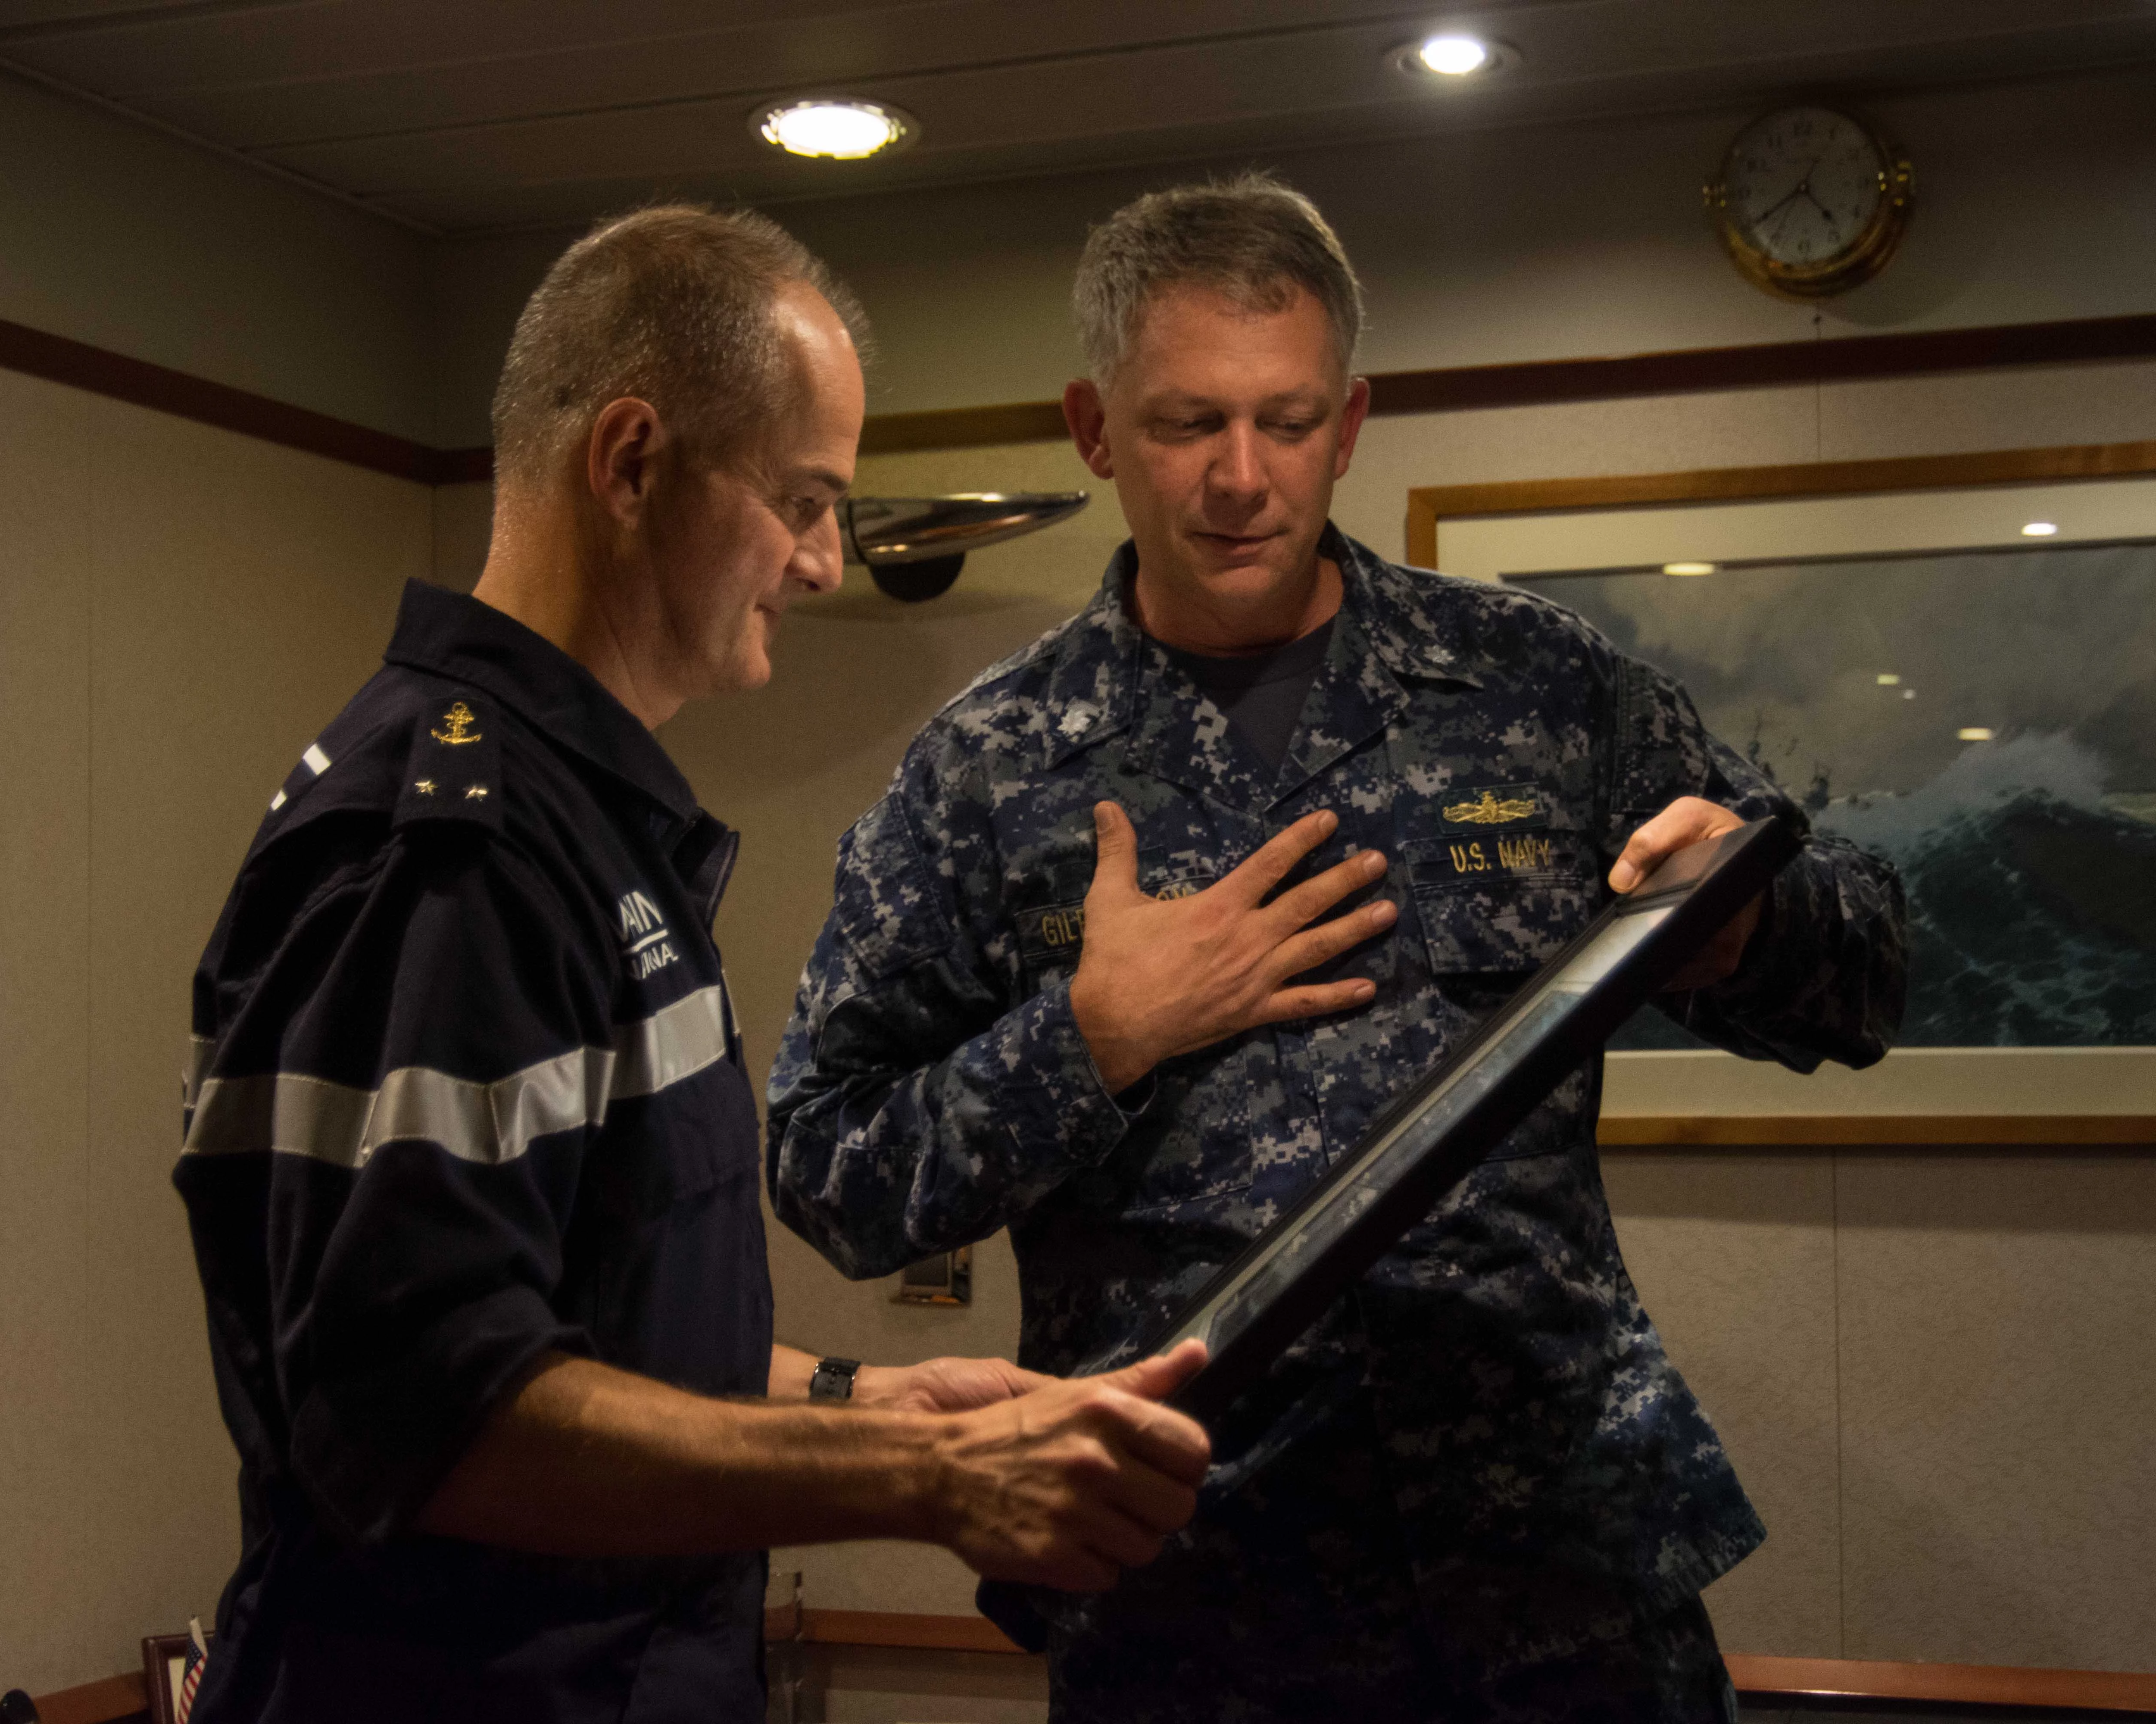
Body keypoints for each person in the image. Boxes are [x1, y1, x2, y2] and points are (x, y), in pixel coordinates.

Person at [768, 175, 1906, 1722]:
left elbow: (1869, 974)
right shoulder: (990, 770)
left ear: (1352, 421)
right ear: (1095, 430)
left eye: (1287, 422)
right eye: (1185, 426)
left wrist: (1742, 921)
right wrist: (1091, 1040)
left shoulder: (1532, 683)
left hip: (1558, 1576)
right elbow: (827, 1166)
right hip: (1195, 1596)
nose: (1243, 478)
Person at [173, 204, 1211, 1724]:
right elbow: (426, 1410)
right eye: (802, 499)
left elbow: (593, 1326)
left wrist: (869, 1396)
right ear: (632, 459)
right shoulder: (456, 845)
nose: (824, 559)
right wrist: (919, 1476)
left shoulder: (584, 823)